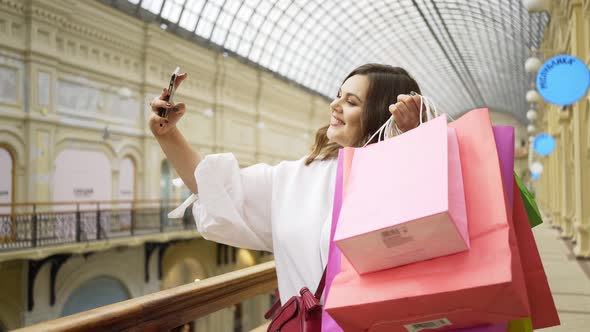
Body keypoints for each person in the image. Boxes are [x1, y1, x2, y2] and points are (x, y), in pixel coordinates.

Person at [149, 64, 423, 304]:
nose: (334, 105)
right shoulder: (299, 176)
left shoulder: (406, 173)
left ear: (379, 115)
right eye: (338, 95)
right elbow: (215, 188)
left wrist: (412, 143)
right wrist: (168, 135)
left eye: (351, 102)